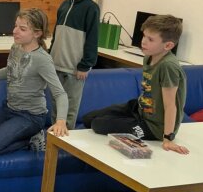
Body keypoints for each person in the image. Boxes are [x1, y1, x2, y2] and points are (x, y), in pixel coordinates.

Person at [0, 8, 69, 155]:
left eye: (22, 29)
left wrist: (61, 121)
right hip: (9, 108)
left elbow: (60, 94)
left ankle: (31, 138)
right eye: (15, 26)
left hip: (30, 117)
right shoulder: (16, 47)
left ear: (37, 33)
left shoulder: (43, 60)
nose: (14, 31)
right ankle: (8, 134)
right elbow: (10, 70)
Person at [80, 15, 189, 155]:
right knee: (88, 119)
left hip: (154, 127)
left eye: (150, 39)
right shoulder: (148, 57)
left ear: (168, 45)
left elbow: (170, 106)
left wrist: (168, 138)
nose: (143, 41)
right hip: (139, 109)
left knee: (97, 124)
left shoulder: (168, 66)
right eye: (144, 36)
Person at [49, 0, 100, 129]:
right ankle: (53, 134)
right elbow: (57, 34)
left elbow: (93, 39)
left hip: (74, 68)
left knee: (70, 105)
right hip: (56, 64)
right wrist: (49, 56)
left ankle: (66, 136)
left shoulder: (91, 8)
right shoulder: (64, 4)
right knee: (56, 102)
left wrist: (85, 65)